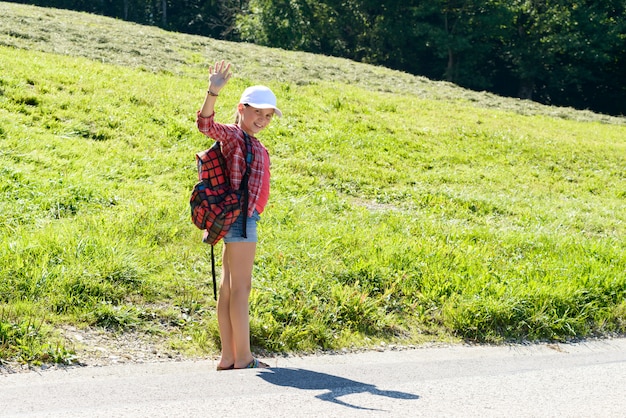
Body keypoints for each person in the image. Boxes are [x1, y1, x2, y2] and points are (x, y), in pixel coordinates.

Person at [196, 60, 281, 370]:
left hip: (238, 219)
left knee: (230, 288)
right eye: (257, 111)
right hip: (241, 220)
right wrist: (212, 91)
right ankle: (244, 357)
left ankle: (229, 356)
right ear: (242, 108)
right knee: (241, 288)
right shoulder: (233, 135)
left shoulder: (252, 143)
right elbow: (206, 125)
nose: (263, 118)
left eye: (268, 115)